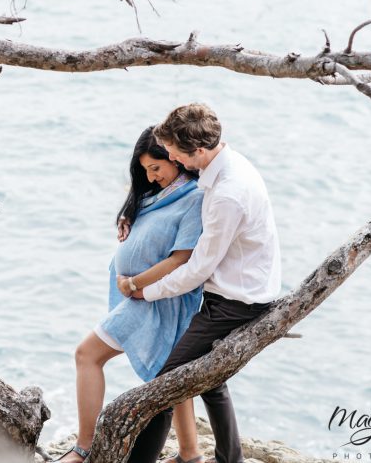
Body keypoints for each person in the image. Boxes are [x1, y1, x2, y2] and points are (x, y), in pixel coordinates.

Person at [117, 103, 282, 463]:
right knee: (211, 379)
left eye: (174, 151)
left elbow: (197, 267)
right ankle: (230, 459)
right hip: (242, 290)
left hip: (235, 302)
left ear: (199, 152)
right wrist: (131, 213)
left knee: (163, 387)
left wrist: (146, 291)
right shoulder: (229, 165)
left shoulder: (227, 194)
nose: (170, 156)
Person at [57, 127, 206, 463]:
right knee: (170, 374)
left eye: (156, 168)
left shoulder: (193, 198)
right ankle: (191, 454)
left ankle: (83, 447)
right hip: (141, 295)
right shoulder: (159, 195)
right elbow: (149, 215)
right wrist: (129, 216)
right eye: (145, 171)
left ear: (175, 158)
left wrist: (135, 283)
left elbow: (181, 258)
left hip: (155, 300)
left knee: (87, 355)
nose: (152, 178)